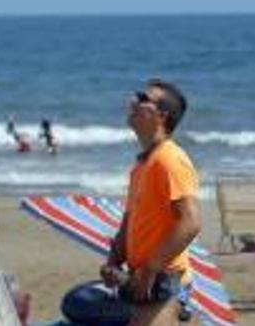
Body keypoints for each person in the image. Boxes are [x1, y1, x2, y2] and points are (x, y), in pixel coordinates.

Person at [99, 79, 200, 326]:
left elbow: (191, 222)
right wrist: (114, 259)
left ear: (161, 116)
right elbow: (129, 221)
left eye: (143, 99)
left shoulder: (170, 159)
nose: (133, 101)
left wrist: (150, 269)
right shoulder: (142, 165)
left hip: (164, 281)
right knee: (75, 303)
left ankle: (180, 314)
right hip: (136, 280)